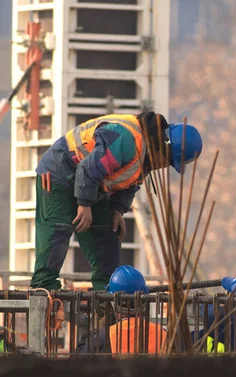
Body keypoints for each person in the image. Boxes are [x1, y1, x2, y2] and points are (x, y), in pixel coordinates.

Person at [31, 112, 203, 291]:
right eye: (168, 161)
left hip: (91, 185)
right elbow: (88, 168)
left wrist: (117, 211)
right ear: (164, 148)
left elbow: (128, 185)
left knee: (107, 240)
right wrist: (84, 204)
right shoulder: (126, 141)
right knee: (57, 230)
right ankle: (45, 290)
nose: (164, 166)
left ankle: (105, 297)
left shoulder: (146, 157)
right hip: (59, 171)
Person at [75, 265, 165, 355]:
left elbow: (78, 359)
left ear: (113, 302)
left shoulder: (105, 336)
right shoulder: (161, 333)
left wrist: (93, 330)